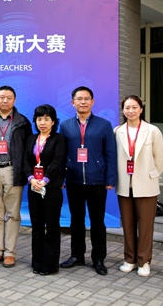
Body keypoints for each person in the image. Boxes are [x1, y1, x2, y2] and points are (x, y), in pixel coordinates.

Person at [60, 86, 117, 275]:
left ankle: (98, 258)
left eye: (86, 99)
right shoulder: (65, 125)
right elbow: (62, 154)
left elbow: (110, 153)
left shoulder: (104, 125)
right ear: (72, 102)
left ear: (92, 102)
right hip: (74, 180)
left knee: (97, 221)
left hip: (97, 181)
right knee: (76, 220)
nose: (83, 102)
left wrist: (110, 178)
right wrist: (61, 177)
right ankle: (77, 255)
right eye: (79, 99)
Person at [115, 95, 163, 277]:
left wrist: (152, 174)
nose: (131, 111)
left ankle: (144, 261)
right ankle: (130, 259)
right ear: (123, 110)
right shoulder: (118, 131)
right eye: (127, 108)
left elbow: (160, 157)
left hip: (146, 183)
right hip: (124, 184)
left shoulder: (152, 131)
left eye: (134, 107)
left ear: (141, 109)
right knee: (128, 224)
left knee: (145, 225)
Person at [0, 86, 31, 268]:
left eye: (9, 98)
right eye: (2, 97)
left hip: (12, 170)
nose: (5, 100)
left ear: (14, 100)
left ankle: (10, 252)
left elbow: (28, 150)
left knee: (13, 214)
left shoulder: (22, 122)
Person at [23, 104, 67, 275]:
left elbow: (57, 161)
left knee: (52, 226)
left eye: (46, 119)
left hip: (52, 188)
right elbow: (26, 161)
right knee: (37, 225)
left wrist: (45, 180)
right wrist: (31, 179)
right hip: (34, 187)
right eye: (39, 119)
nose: (42, 122)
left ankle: (49, 265)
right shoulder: (31, 139)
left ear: (53, 121)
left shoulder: (58, 139)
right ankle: (37, 263)